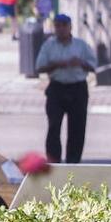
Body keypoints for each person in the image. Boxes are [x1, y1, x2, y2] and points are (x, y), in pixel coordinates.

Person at [36, 13, 96, 163]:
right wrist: (57, 64)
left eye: (64, 26)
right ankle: (54, 163)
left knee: (77, 129)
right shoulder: (49, 45)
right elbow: (39, 67)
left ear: (70, 27)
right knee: (54, 127)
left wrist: (80, 63)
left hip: (77, 88)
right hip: (57, 88)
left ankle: (73, 163)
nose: (61, 29)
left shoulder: (80, 45)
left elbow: (93, 65)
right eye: (58, 26)